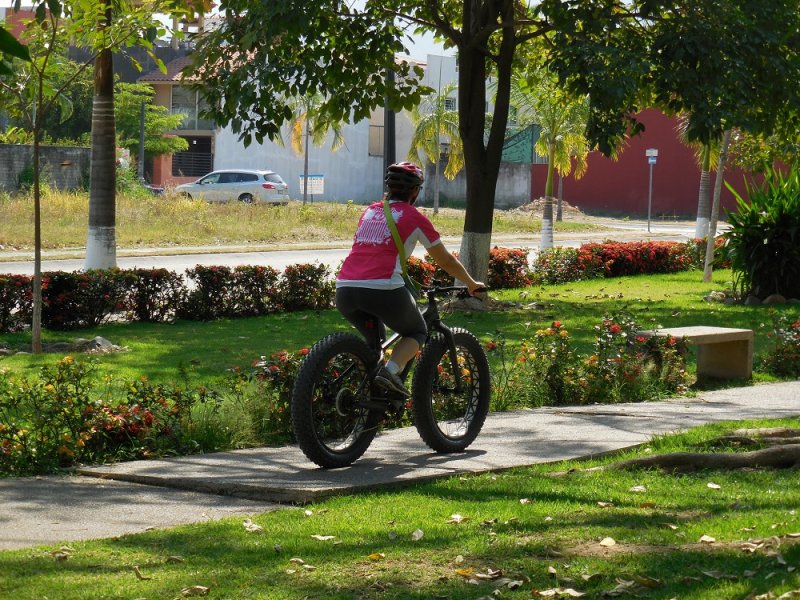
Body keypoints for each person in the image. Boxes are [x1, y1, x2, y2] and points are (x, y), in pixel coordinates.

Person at [336, 162, 485, 397]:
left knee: (375, 347)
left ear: (388, 187)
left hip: (345, 289)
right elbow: (445, 261)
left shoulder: (370, 211)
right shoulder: (414, 218)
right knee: (417, 331)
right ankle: (390, 372)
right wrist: (470, 282)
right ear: (415, 191)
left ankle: (366, 401)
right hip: (383, 289)